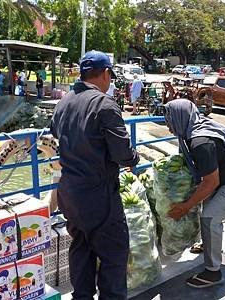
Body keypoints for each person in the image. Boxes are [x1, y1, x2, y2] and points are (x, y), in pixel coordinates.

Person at [50, 50, 139, 300]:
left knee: (81, 249)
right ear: (105, 73)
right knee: (113, 255)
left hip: (69, 194)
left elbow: (54, 137)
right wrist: (134, 159)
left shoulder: (64, 101)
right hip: (99, 197)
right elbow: (123, 154)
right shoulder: (104, 104)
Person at [163, 99, 225, 288]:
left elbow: (211, 182)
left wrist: (185, 207)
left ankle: (213, 273)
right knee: (207, 210)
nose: (168, 126)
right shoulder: (195, 129)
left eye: (169, 121)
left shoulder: (200, 142)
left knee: (209, 218)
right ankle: (209, 245)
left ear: (180, 118)